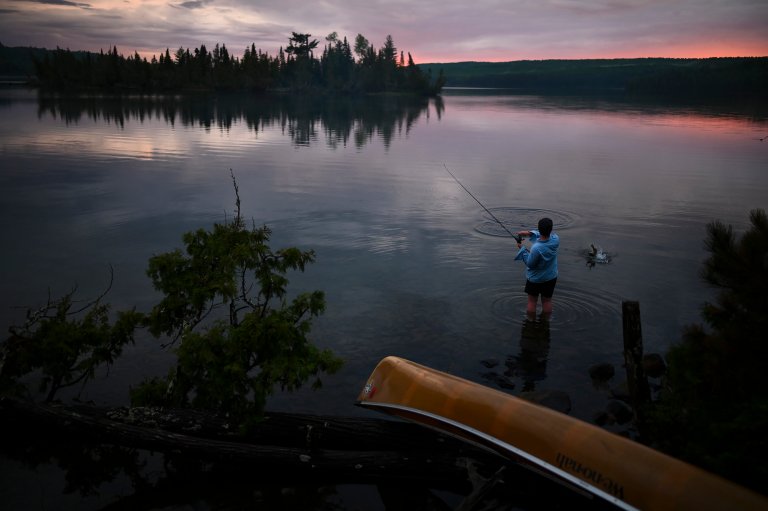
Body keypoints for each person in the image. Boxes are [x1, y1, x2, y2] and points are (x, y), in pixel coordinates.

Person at [515, 217, 560, 317]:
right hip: (551, 277)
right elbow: (545, 234)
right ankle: (546, 321)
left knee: (532, 301)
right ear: (551, 229)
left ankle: (530, 322)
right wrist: (529, 233)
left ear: (539, 229)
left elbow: (530, 264)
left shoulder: (536, 248)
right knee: (547, 301)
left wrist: (522, 249)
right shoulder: (556, 239)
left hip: (535, 279)